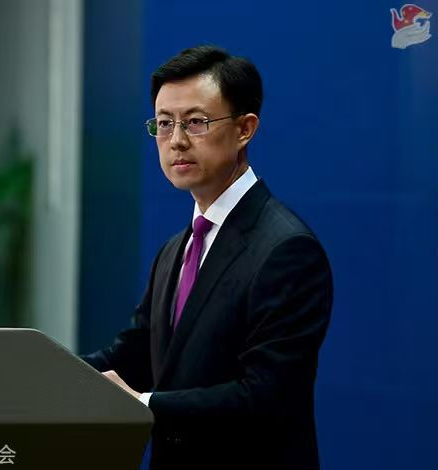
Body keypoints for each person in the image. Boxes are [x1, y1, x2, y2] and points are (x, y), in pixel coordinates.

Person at [81, 45, 333, 470]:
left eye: (196, 122)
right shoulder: (174, 250)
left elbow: (265, 395)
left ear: (244, 129)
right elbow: (134, 355)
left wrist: (144, 404)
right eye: (164, 124)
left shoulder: (286, 248)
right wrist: (42, 371)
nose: (176, 141)